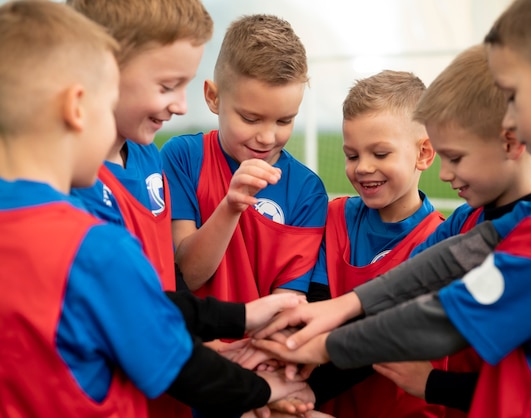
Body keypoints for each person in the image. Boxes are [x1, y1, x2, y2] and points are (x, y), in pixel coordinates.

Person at [252, 0, 531, 416]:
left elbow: (444, 320)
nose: (512, 124)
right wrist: (343, 306)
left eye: (515, 96)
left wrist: (320, 346)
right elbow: (460, 252)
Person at [0, 2, 310, 418]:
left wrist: (236, 318)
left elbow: (143, 305)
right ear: (78, 105)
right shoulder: (92, 246)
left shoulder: (143, 164)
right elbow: (163, 351)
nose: (181, 106)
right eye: (167, 86)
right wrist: (260, 389)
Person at [372, 44, 531, 414]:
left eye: (455, 157)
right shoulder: (464, 221)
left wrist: (435, 384)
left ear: (510, 142)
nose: (444, 173)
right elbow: (398, 299)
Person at [305, 70, 445, 418]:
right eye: (352, 155)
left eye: (380, 154)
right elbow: (315, 304)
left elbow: (378, 342)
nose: (363, 168)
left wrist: (304, 391)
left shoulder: (440, 242)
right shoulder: (334, 218)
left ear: (424, 153)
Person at [161, 14, 327, 302]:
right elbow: (187, 275)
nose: (266, 137)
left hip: (262, 344)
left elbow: (288, 301)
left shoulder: (307, 190)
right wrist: (230, 207)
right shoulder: (183, 157)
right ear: (214, 98)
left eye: (284, 120)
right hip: (194, 342)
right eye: (250, 118)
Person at [68, 0, 213, 293]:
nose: (182, 106)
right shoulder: (68, 181)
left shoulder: (148, 154)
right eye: (168, 86)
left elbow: (164, 279)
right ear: (104, 68)